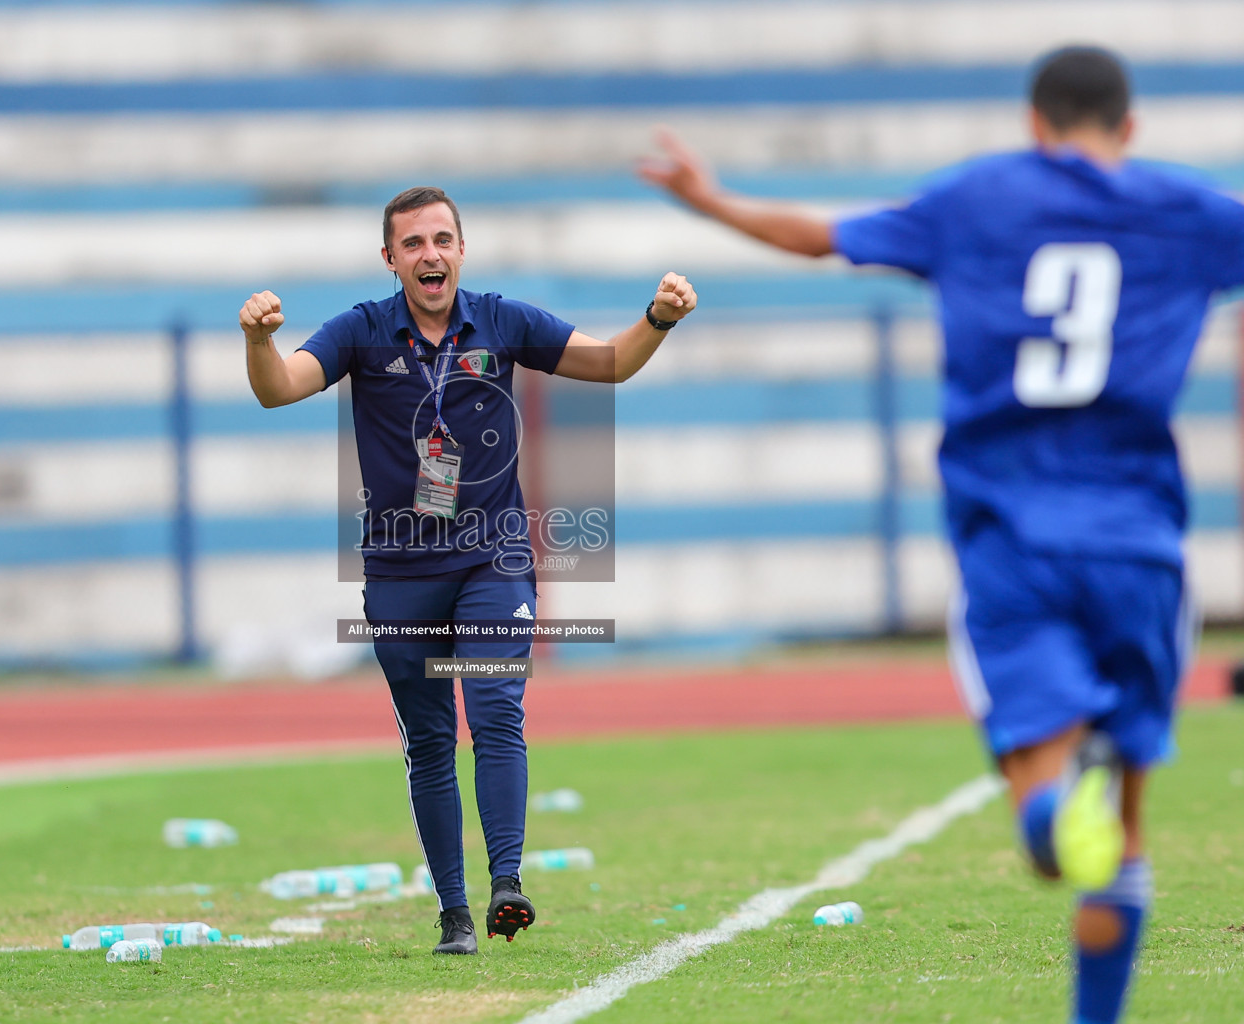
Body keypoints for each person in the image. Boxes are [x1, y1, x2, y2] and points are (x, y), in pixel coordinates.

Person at [638, 45, 1241, 1024]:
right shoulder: (1192, 212)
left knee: (1047, 801)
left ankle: (1050, 808)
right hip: (1141, 542)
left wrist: (712, 202)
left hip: (1013, 538)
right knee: (1121, 834)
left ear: (1034, 122)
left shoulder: (977, 200)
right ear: (1128, 130)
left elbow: (823, 235)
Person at [241, 186, 696, 954]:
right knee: (427, 739)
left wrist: (658, 319)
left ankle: (507, 882)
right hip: (400, 571)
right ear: (391, 259)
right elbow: (278, 388)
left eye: (443, 240)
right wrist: (259, 340)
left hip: (494, 561)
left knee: (494, 708)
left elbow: (611, 363)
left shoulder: (504, 321)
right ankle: (454, 914)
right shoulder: (360, 331)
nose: (431, 255)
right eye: (414, 243)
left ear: (462, 250)